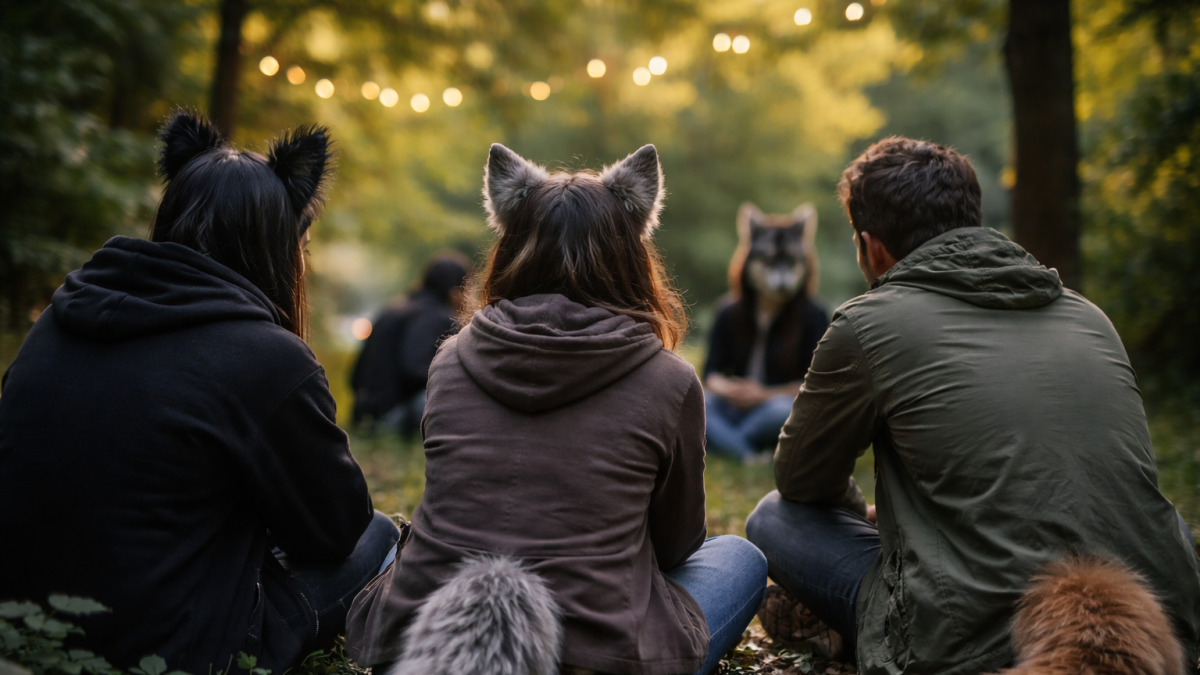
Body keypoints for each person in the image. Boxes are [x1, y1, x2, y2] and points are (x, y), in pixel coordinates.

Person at [744, 136, 1200, 673]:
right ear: (973, 220)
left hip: (964, 642)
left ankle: (861, 632)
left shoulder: (867, 324)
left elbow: (802, 480)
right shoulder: (1087, 316)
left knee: (775, 517)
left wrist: (867, 517)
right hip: (1159, 623)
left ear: (872, 247)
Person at [345, 143, 768, 675]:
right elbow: (678, 544)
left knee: (386, 535)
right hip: (601, 652)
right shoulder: (671, 379)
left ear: (511, 241)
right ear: (632, 252)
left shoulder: (449, 361)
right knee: (740, 557)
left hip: (425, 639)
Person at [0, 111, 398, 673]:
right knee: (379, 535)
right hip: (169, 648)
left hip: (22, 620)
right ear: (282, 245)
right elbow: (335, 532)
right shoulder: (266, 358)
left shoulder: (57, 321)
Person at [703, 203, 828, 463]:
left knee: (783, 411)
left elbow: (814, 386)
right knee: (699, 402)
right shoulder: (727, 312)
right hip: (734, 406)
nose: (782, 277)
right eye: (770, 262)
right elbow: (710, 375)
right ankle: (747, 452)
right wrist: (731, 390)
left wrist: (762, 395)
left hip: (776, 408)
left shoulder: (814, 316)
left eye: (792, 263)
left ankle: (728, 443)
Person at [349, 254, 469, 436]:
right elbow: (414, 367)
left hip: (364, 416)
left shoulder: (393, 310)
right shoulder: (436, 316)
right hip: (391, 420)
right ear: (455, 291)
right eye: (468, 289)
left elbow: (355, 376)